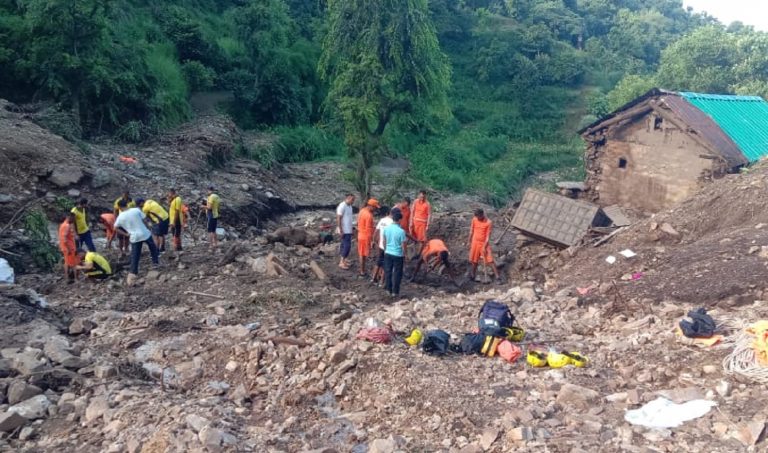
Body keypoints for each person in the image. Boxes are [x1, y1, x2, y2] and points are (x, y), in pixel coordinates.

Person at [114, 199, 160, 277]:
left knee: (135, 254)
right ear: (127, 204)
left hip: (134, 237)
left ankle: (134, 271)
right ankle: (155, 263)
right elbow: (145, 219)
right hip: (144, 233)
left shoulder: (120, 216)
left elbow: (115, 228)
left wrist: (126, 234)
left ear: (120, 207)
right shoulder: (136, 210)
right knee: (152, 248)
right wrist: (148, 227)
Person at [468, 209, 501, 283]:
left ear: (482, 214)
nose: (478, 218)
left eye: (479, 217)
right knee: (474, 260)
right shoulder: (474, 219)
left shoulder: (488, 222)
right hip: (475, 242)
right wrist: (469, 241)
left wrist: (484, 246)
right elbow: (471, 230)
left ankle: (498, 277)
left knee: (490, 260)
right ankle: (472, 275)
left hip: (484, 243)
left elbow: (487, 236)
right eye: (477, 217)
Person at [382, 209, 408, 298]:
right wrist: (405, 255)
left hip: (388, 253)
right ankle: (395, 291)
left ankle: (388, 289)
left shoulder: (386, 229)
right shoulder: (401, 231)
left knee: (388, 271)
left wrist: (385, 250)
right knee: (397, 273)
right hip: (398, 254)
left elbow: (384, 241)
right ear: (399, 220)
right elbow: (403, 245)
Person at [356, 198, 379, 278]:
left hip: (360, 234)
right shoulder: (369, 216)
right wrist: (372, 241)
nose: (375, 209)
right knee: (363, 255)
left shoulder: (362, 211)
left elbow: (358, 222)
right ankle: (362, 272)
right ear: (371, 206)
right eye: (375, 207)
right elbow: (369, 231)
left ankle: (362, 270)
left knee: (361, 254)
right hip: (365, 237)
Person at [370, 206, 393, 286]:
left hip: (380, 245)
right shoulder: (392, 222)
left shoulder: (382, 220)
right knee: (386, 264)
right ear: (389, 213)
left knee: (378, 262)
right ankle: (381, 282)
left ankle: (373, 278)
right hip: (388, 246)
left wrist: (373, 241)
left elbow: (376, 231)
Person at [336, 193, 355, 269]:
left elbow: (349, 218)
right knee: (347, 246)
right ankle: (341, 261)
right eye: (352, 199)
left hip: (348, 229)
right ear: (348, 198)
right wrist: (340, 229)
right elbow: (338, 217)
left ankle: (344, 259)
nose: (353, 201)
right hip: (344, 229)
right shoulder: (342, 206)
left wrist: (351, 228)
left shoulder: (350, 206)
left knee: (344, 244)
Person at [113, 191, 135, 256]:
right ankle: (121, 250)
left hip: (128, 221)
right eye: (123, 194)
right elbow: (115, 210)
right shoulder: (119, 201)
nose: (125, 195)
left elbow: (133, 209)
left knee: (127, 236)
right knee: (120, 237)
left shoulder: (131, 201)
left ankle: (126, 248)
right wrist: (116, 219)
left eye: (126, 194)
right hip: (121, 220)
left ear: (128, 194)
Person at [410, 190, 431, 258]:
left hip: (422, 223)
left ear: (425, 196)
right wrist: (411, 222)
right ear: (419, 195)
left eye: (423, 197)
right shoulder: (415, 201)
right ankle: (413, 253)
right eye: (421, 196)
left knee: (422, 240)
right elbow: (412, 211)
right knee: (413, 238)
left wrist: (428, 225)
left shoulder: (427, 204)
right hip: (415, 222)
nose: (422, 198)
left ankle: (418, 254)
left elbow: (429, 215)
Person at [58, 213, 78, 283]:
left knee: (67, 263)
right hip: (69, 249)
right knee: (74, 264)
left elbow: (61, 238)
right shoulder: (67, 226)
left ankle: (67, 278)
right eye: (74, 218)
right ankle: (76, 279)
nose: (74, 220)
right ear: (70, 217)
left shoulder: (62, 225)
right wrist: (69, 249)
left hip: (64, 248)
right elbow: (64, 239)